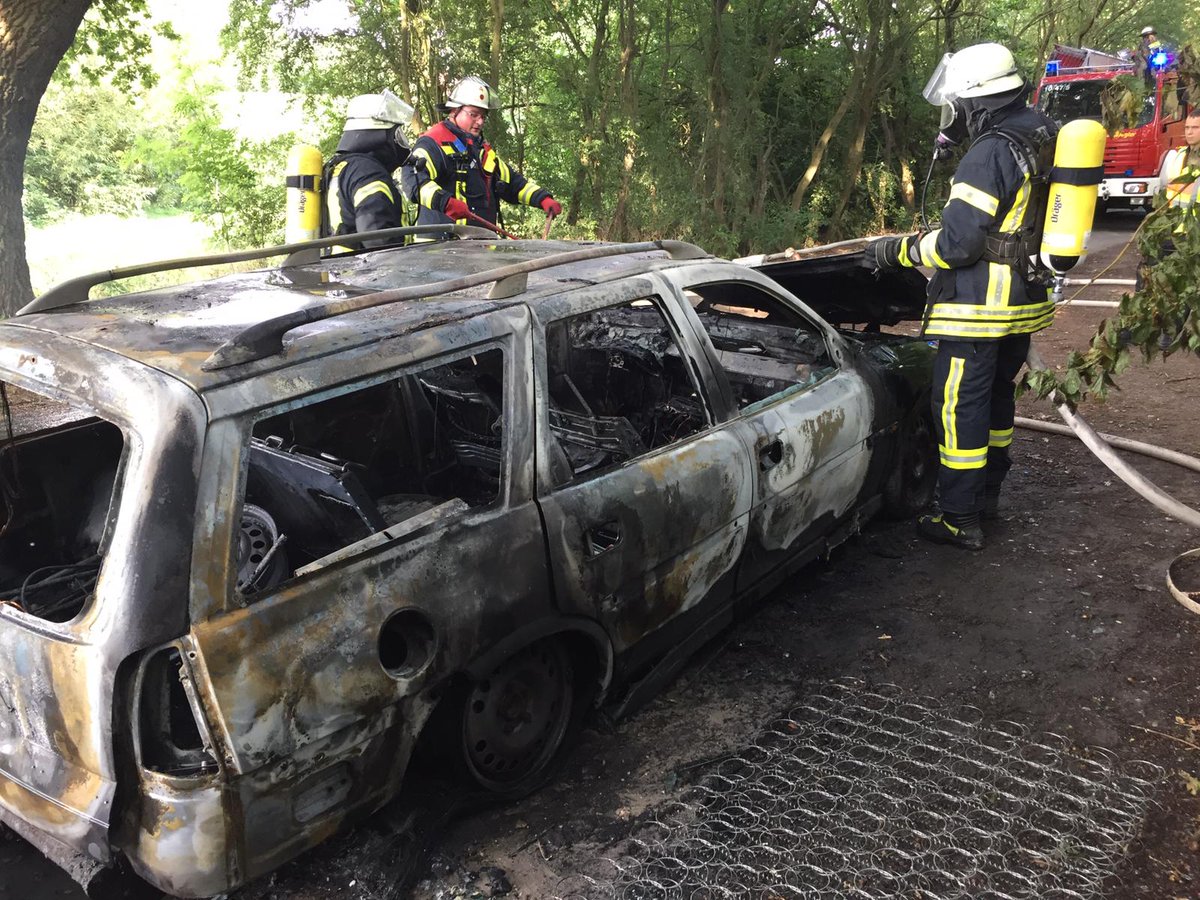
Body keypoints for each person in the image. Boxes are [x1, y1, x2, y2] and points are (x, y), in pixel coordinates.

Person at [863, 43, 1059, 552]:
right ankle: (987, 498)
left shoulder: (989, 151)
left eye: (958, 106)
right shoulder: (1040, 128)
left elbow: (958, 244)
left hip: (978, 311)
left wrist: (897, 252)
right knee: (995, 400)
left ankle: (958, 517)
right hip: (1021, 305)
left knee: (957, 409)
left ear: (976, 100)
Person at [402, 77, 561, 238]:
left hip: (479, 249)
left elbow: (512, 182)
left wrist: (542, 199)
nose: (480, 121)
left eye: (483, 116)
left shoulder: (481, 150)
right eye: (474, 114)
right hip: (438, 251)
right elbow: (412, 179)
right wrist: (445, 202)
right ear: (454, 111)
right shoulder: (433, 142)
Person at [324, 89, 413, 251]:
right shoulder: (367, 172)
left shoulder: (343, 167)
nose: (400, 140)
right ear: (380, 133)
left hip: (340, 270)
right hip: (365, 273)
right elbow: (379, 239)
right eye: (397, 133)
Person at [1139, 106, 1200, 288]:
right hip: (1171, 232)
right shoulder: (1177, 156)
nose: (1189, 132)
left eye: (1195, 128)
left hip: (1194, 236)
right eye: (1187, 127)